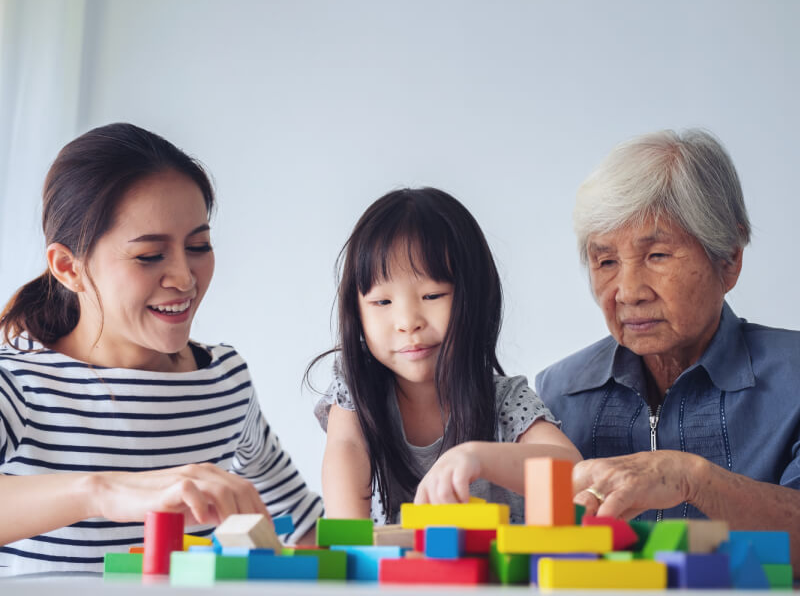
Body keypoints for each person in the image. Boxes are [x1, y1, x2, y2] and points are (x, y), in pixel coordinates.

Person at [0, 123, 323, 576]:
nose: (184, 278)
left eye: (198, 246)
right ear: (68, 267)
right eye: (150, 255)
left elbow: (301, 525)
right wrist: (103, 492)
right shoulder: (18, 385)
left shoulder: (224, 380)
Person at [535, 129, 800, 574]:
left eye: (657, 254)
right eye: (606, 262)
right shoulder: (558, 394)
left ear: (729, 258)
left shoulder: (793, 380)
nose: (628, 292)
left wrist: (691, 479)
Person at [311, 187, 581, 524]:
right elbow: (345, 454)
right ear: (357, 312)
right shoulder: (356, 394)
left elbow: (573, 471)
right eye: (382, 302)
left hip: (499, 574)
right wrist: (350, 549)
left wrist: (477, 457)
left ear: (476, 299)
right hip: (398, 575)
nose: (408, 323)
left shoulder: (505, 401)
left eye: (432, 295)